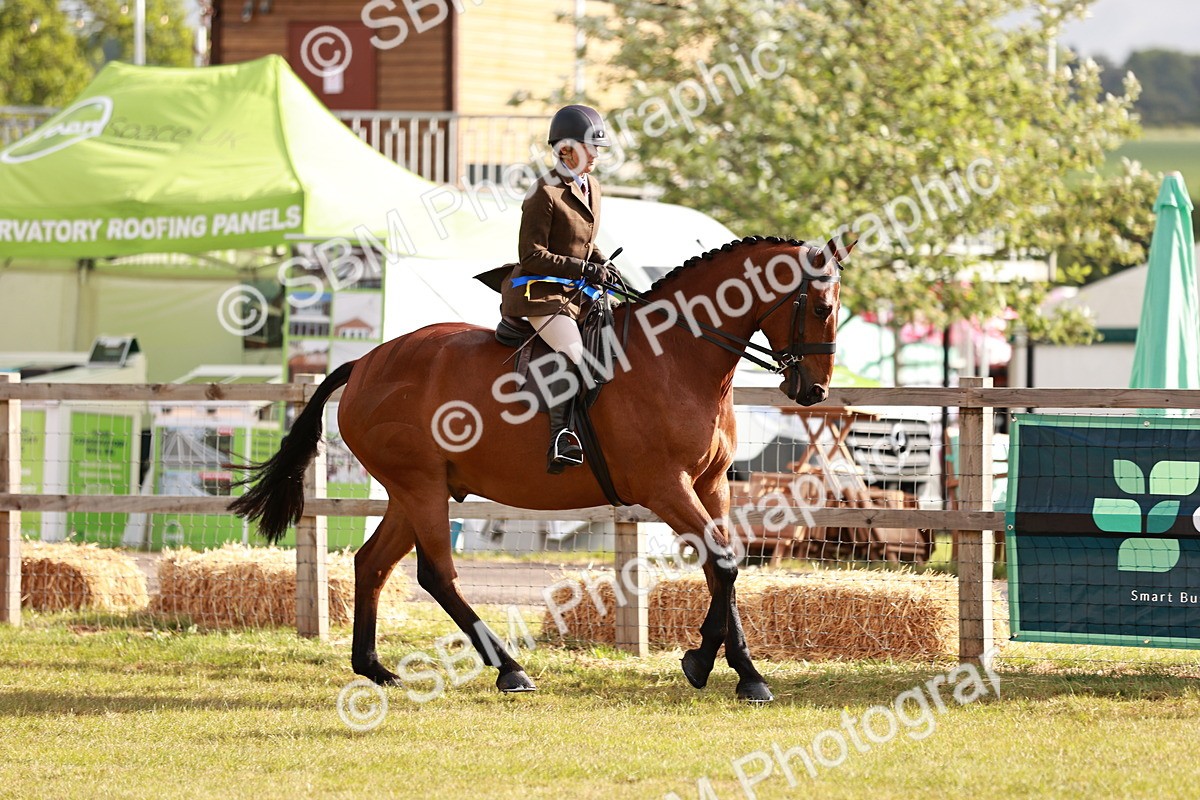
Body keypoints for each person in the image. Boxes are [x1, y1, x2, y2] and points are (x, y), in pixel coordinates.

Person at [500, 104, 611, 474]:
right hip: (540, 293)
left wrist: (602, 261)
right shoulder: (543, 192)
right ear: (566, 148)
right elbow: (530, 254)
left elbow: (585, 242)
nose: (595, 155)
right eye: (589, 147)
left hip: (576, 293)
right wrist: (583, 267)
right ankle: (560, 438)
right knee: (575, 352)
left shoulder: (591, 186)